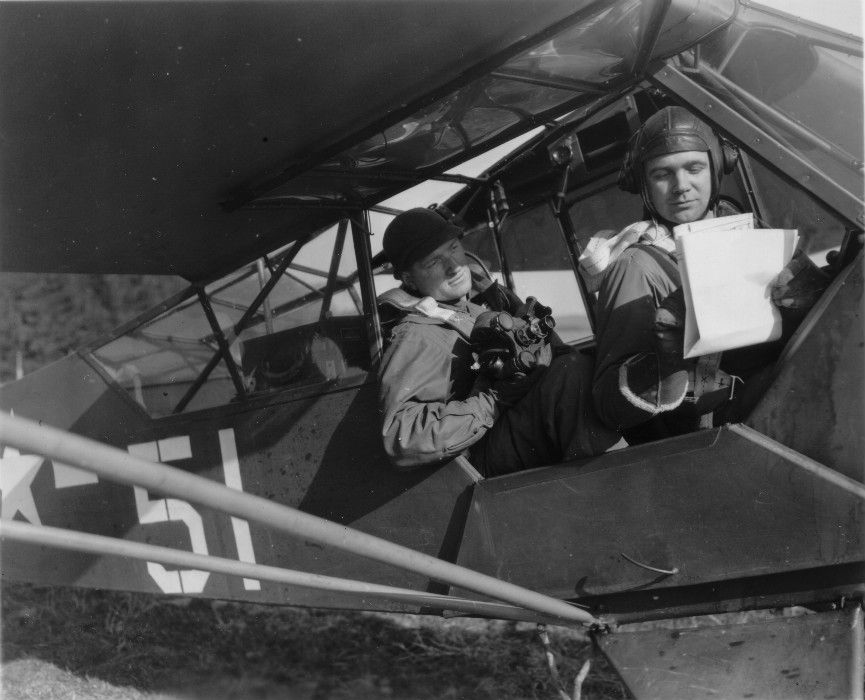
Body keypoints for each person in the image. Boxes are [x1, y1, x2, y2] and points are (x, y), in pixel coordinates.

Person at [581, 106, 830, 444]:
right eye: (662, 174)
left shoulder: (751, 234)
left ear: (716, 168)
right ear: (644, 185)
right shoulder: (636, 267)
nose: (681, 186)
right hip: (722, 437)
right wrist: (664, 364)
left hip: (788, 399)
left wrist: (810, 300)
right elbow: (609, 407)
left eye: (694, 168)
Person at [377, 207, 619, 476]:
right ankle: (613, 480)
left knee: (590, 367)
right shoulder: (416, 335)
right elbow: (403, 438)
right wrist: (492, 399)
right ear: (409, 279)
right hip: (479, 459)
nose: (453, 266)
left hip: (506, 429)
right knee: (571, 375)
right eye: (433, 262)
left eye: (454, 248)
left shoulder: (476, 303)